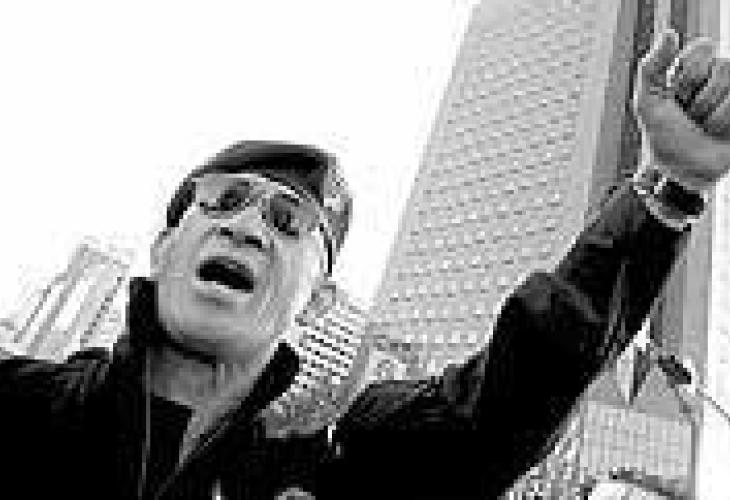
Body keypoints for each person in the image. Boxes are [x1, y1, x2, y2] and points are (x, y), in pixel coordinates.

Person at [1, 30, 729, 500]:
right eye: (223, 201)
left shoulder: (340, 464)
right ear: (164, 248)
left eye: (288, 222)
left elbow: (510, 395)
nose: (247, 227)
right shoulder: (22, 408)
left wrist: (670, 186)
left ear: (316, 302)